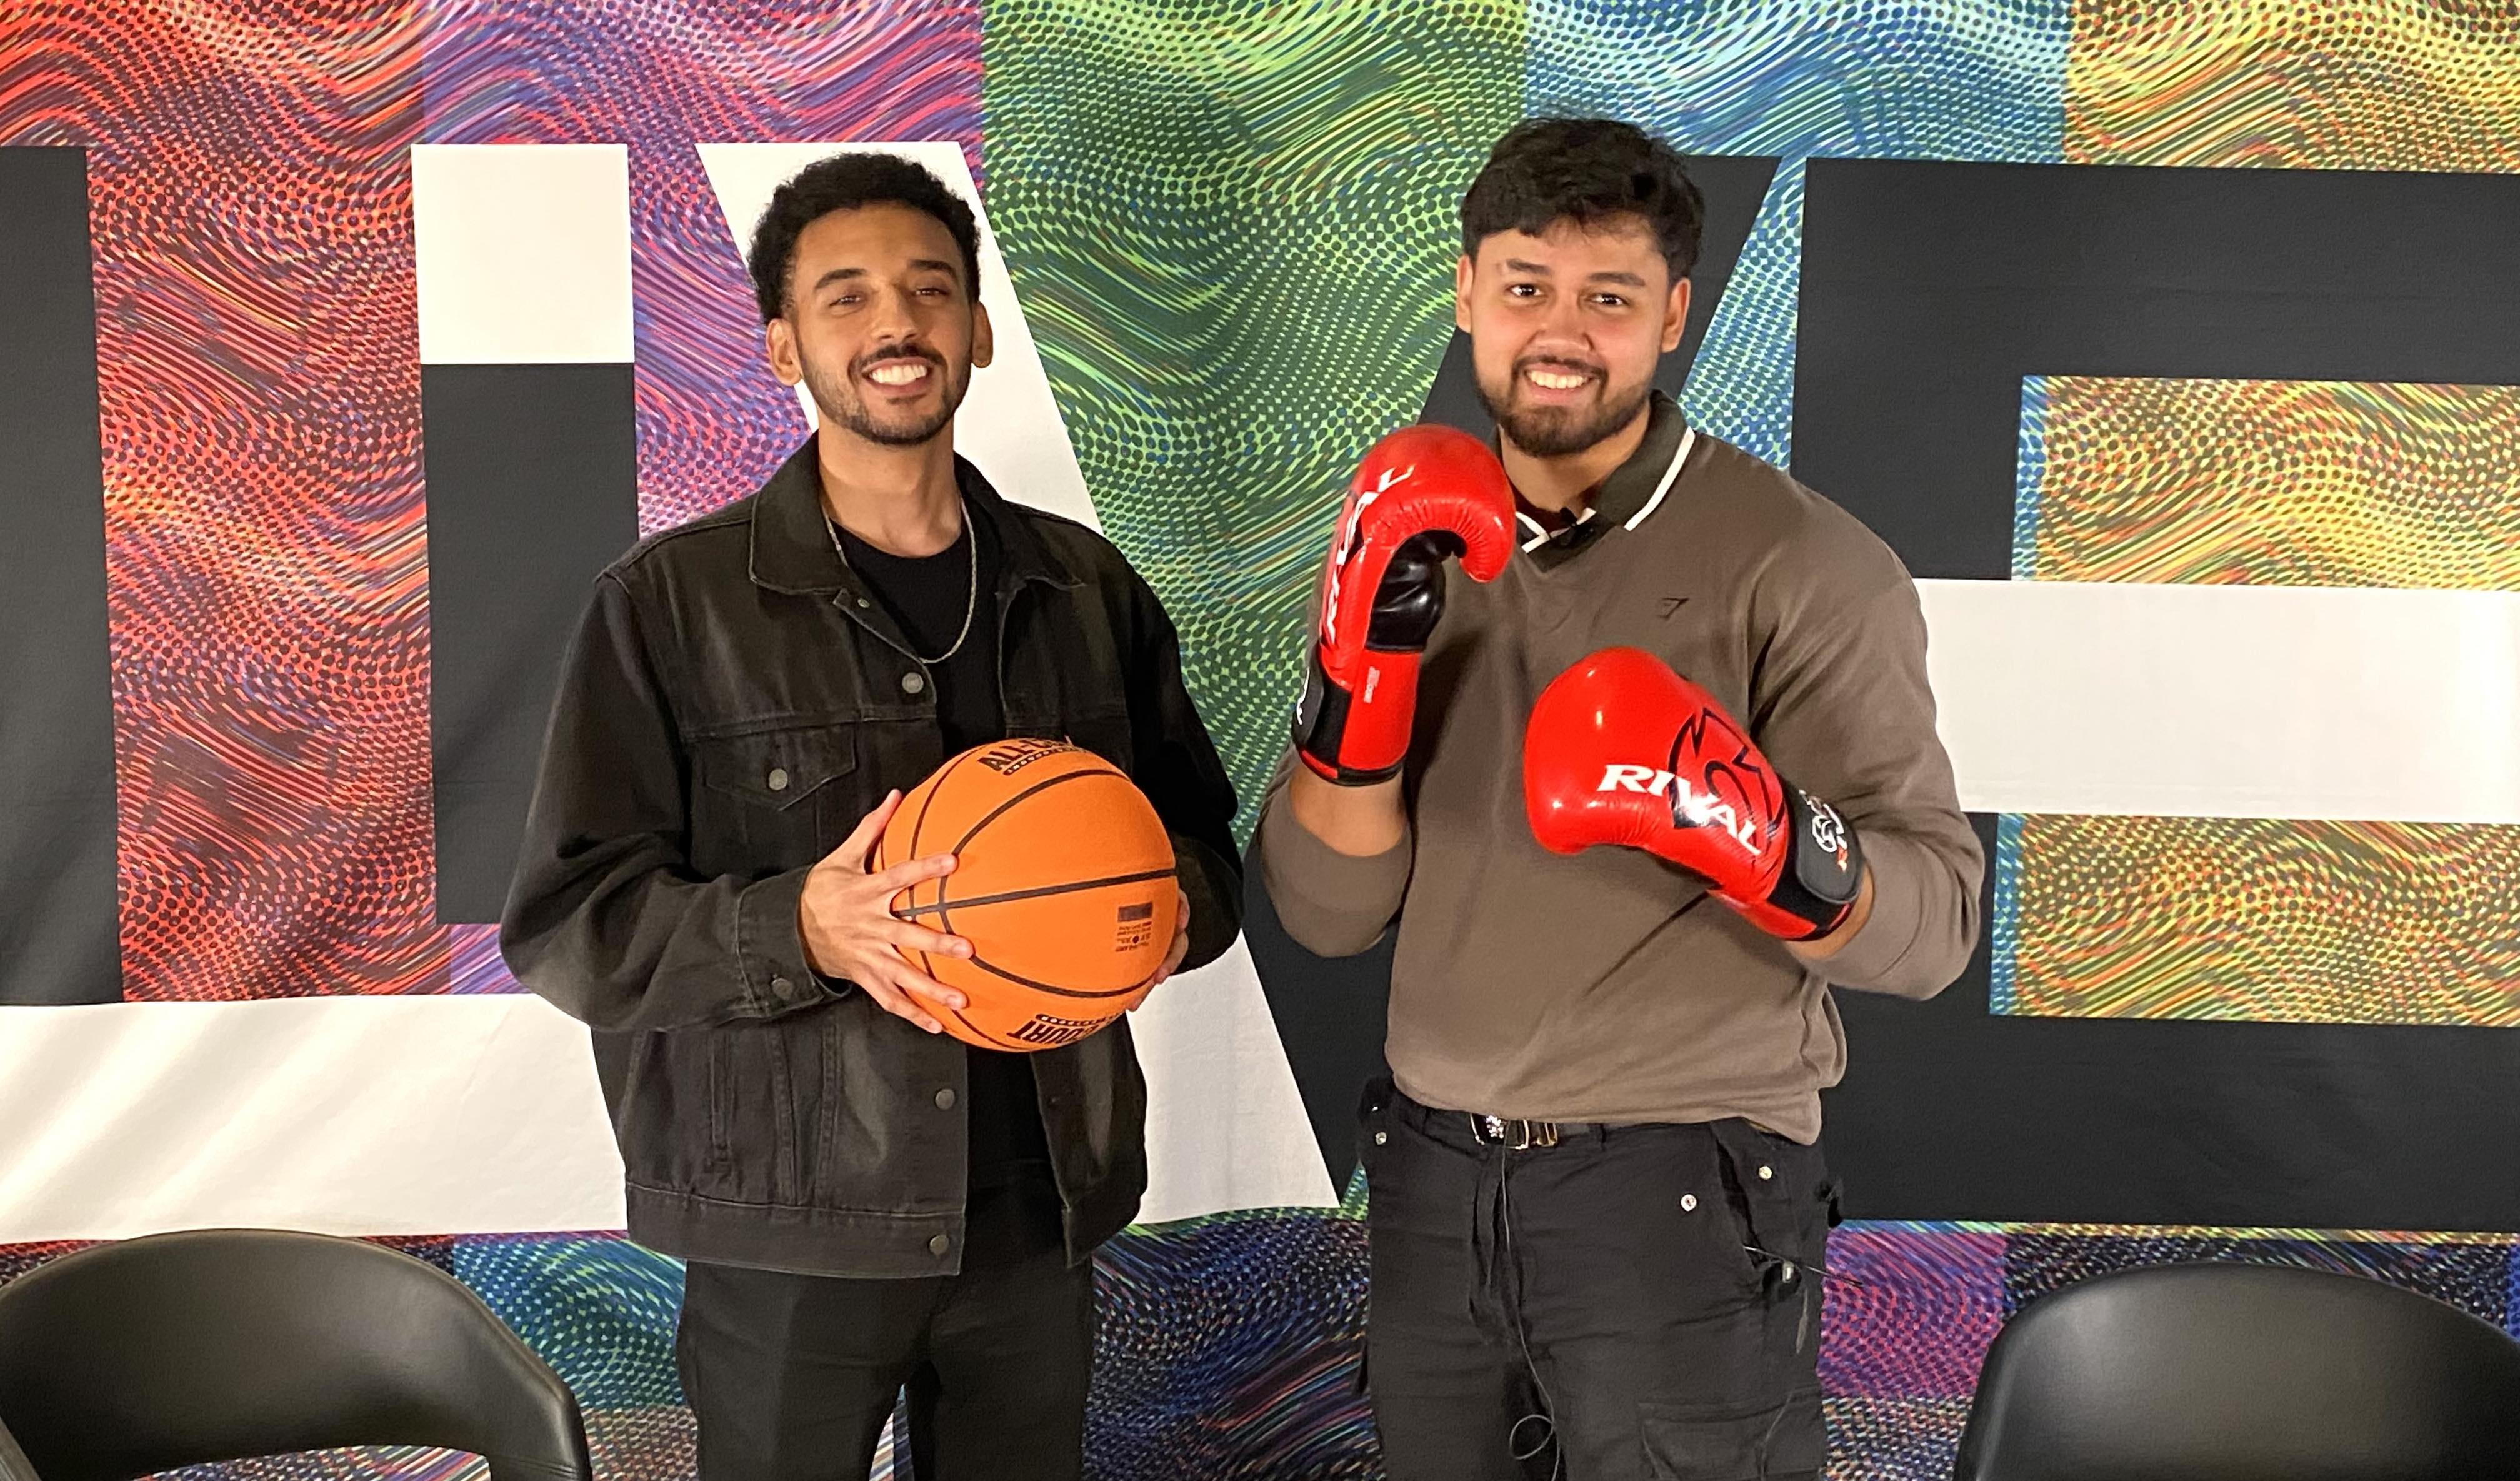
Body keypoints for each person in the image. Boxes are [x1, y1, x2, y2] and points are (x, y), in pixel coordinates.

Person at [1260, 118, 1984, 1480]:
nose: (1561, 331)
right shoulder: (1406, 540)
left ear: (1675, 317)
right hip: (1431, 1183)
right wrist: (1360, 689)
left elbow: (1937, 925)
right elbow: (1328, 915)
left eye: (1610, 298)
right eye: (1527, 286)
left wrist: (1754, 830)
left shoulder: (1805, 564)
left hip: (1681, 1197)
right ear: (1468, 292)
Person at [501, 153, 1243, 1479]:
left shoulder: (1083, 589)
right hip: (792, 1231)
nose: (894, 324)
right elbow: (571, 928)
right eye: (845, 298)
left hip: (1038, 1217)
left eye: (929, 290)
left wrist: (1154, 910)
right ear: (782, 344)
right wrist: (803, 928)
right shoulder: (670, 606)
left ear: (977, 328)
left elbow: (1203, 858)